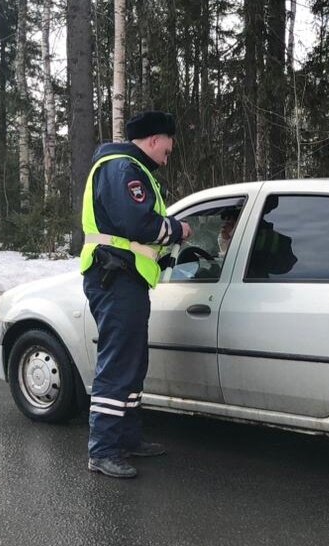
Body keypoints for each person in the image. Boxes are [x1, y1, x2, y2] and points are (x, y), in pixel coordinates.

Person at [80, 111, 192, 479]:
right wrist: (178, 229)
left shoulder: (131, 170)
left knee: (131, 363)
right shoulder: (122, 169)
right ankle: (104, 450)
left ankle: (126, 439)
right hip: (114, 277)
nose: (169, 152)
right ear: (155, 139)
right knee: (117, 365)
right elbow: (139, 224)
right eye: (169, 145)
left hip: (126, 278)